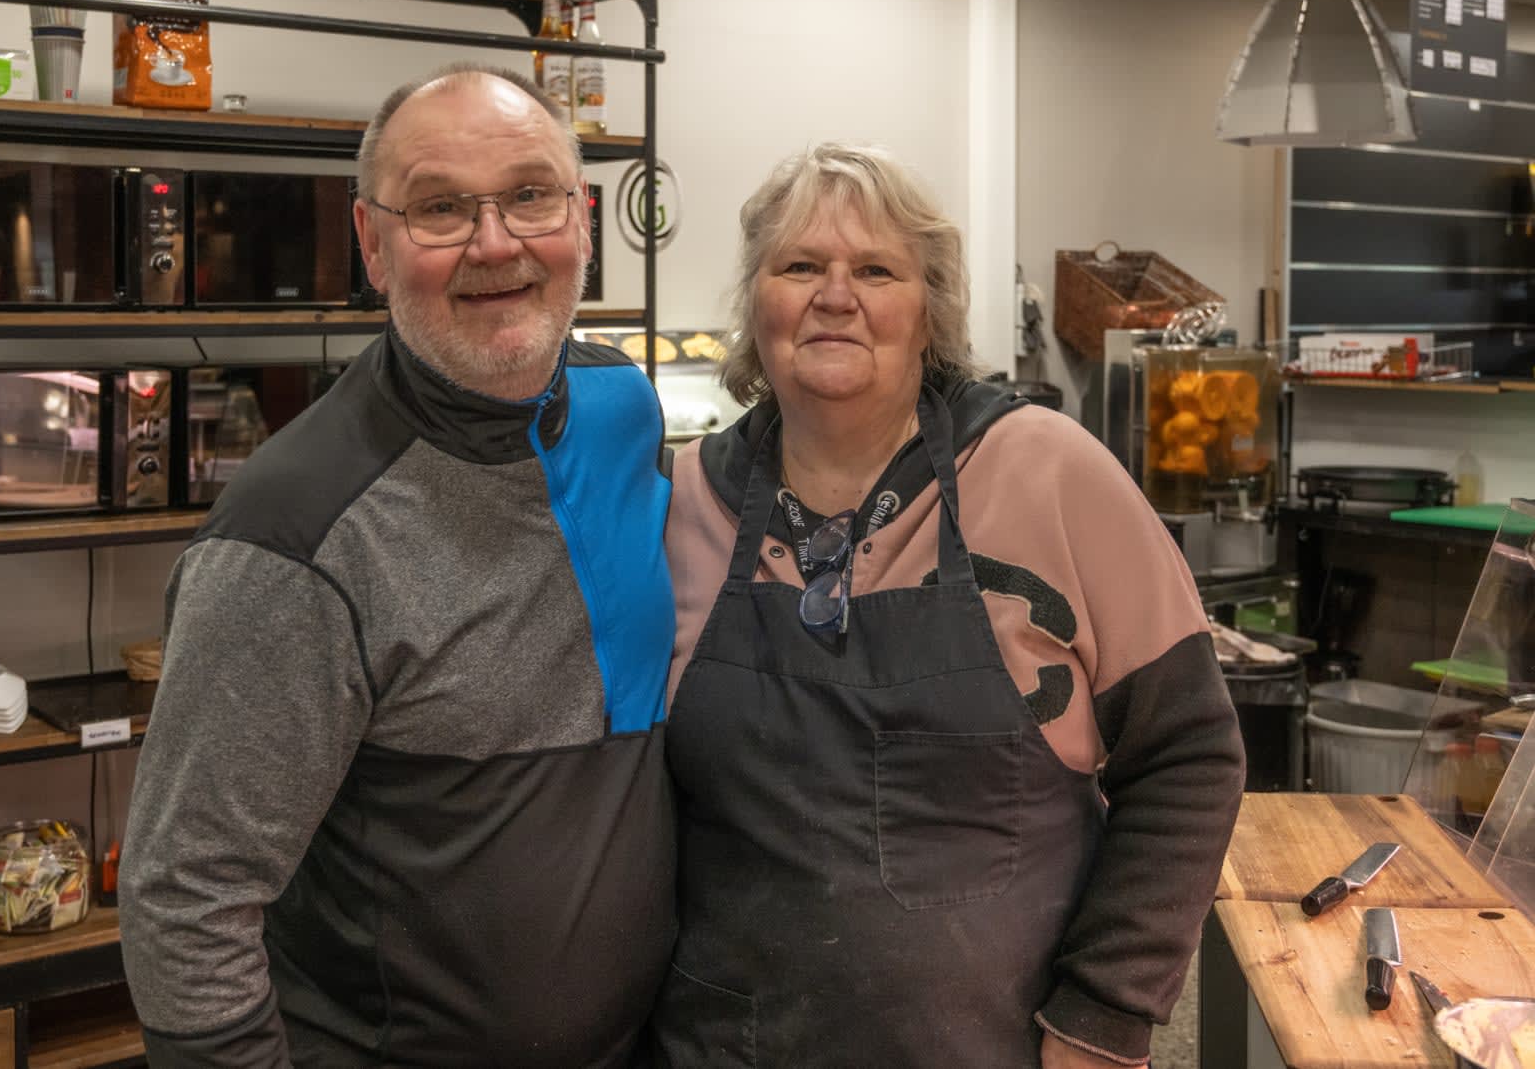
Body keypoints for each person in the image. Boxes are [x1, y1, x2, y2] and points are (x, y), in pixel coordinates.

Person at [120, 64, 677, 1067]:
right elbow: (184, 898)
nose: (496, 243)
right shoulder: (294, 537)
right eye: (440, 208)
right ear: (373, 244)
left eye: (530, 195)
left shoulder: (622, 406)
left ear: (583, 220)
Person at [656, 143, 1244, 1068]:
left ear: (928, 311)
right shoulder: (686, 498)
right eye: (799, 265)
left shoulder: (1046, 471)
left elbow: (1190, 753)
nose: (835, 294)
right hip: (729, 1044)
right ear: (755, 303)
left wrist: (1105, 1014)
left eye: (877, 270)